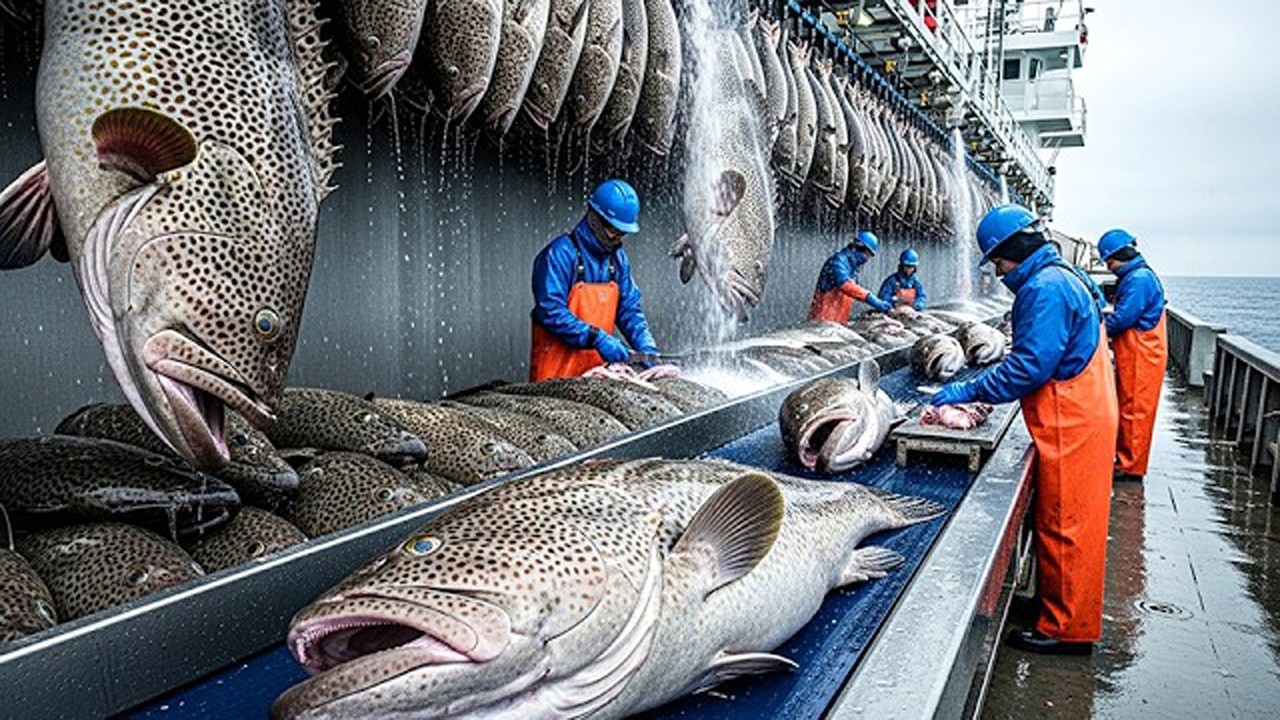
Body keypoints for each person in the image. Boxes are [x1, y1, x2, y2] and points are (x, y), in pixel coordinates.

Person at [931, 204, 1118, 655]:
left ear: (1014, 249)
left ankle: (1066, 630)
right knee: (1066, 521)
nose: (999, 272)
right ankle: (1059, 607)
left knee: (1066, 525)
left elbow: (1030, 368)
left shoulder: (1044, 288)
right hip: (1082, 411)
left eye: (998, 262)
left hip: (1073, 421)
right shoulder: (1062, 275)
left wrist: (966, 391)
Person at [529, 179, 659, 382]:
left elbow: (630, 310)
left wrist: (647, 348)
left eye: (623, 233)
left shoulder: (618, 260)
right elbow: (550, 310)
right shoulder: (558, 255)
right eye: (614, 231)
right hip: (554, 377)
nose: (619, 239)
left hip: (597, 378)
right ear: (595, 219)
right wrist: (595, 338)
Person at [1099, 229, 1167, 483]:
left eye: (1110, 262)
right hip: (1137, 352)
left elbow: (1124, 318)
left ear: (1120, 256)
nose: (1110, 268)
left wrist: (1095, 329)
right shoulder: (1139, 275)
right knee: (1129, 406)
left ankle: (1130, 466)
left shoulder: (1138, 279)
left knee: (1135, 410)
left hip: (1142, 355)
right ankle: (1125, 458)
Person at [809, 231, 892, 322]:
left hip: (838, 326)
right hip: (821, 323)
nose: (867, 259)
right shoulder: (837, 261)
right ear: (860, 248)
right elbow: (845, 285)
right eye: (868, 255)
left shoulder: (853, 271)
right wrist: (872, 299)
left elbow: (854, 293)